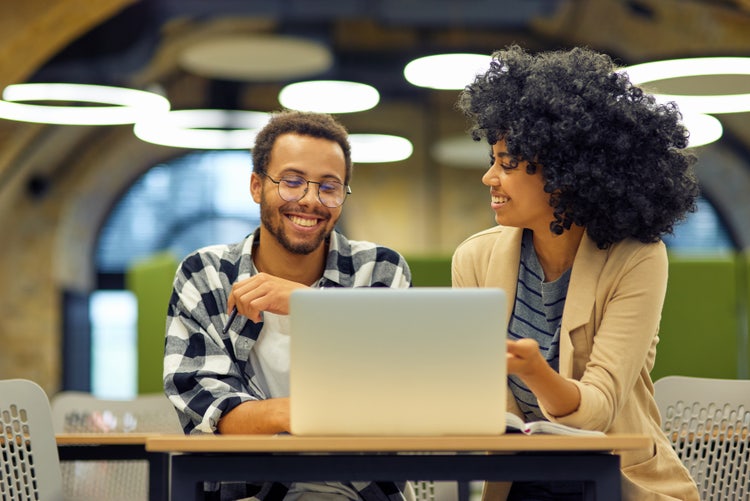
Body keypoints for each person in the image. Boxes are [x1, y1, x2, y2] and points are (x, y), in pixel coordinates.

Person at [452, 45, 701, 501]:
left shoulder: (637, 259)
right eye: (493, 160)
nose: (490, 177)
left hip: (616, 483)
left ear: (564, 174)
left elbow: (597, 412)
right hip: (518, 486)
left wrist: (533, 371)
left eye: (506, 163)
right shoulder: (474, 260)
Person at [163, 110, 412, 500]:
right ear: (256, 186)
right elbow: (210, 409)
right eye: (292, 182)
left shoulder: (379, 269)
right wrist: (309, 413)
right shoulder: (207, 274)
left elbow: (399, 391)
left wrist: (306, 303)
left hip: (363, 492)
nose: (310, 201)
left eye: (329, 187)